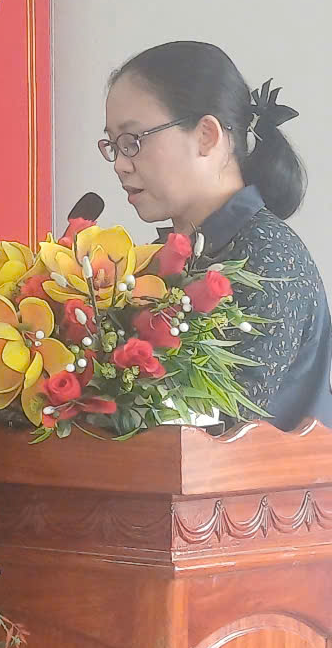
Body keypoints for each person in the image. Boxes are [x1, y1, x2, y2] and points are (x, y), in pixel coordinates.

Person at [101, 41, 332, 430]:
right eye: (113, 146)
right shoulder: (162, 258)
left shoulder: (268, 259)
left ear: (206, 135)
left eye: (133, 141)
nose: (121, 165)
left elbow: (221, 431)